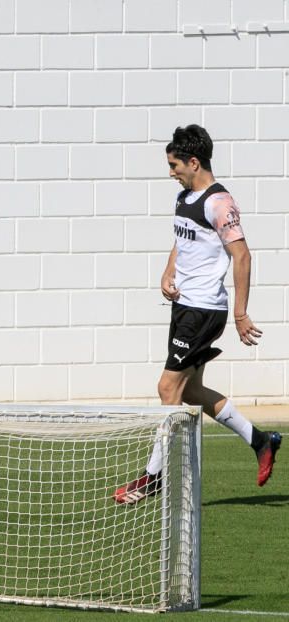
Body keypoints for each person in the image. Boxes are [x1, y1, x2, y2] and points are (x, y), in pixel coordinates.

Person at [115, 125, 281, 504]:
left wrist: (240, 314)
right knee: (189, 390)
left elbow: (242, 255)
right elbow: (182, 237)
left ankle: (151, 478)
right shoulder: (184, 197)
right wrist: (168, 270)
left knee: (167, 388)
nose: (170, 171)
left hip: (204, 310)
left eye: (175, 164)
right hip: (184, 306)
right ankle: (261, 440)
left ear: (194, 161)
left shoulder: (219, 203)